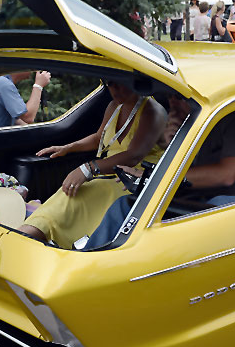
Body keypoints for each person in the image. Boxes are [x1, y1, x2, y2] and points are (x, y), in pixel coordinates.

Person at [84, 98, 235, 249]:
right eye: (171, 97)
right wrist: (171, 142)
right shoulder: (191, 120)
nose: (173, 104)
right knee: (125, 206)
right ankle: (91, 260)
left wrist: (158, 177)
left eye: (180, 98)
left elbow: (226, 175)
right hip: (202, 195)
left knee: (192, 229)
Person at [18, 81, 167, 248]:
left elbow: (133, 155)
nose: (115, 89)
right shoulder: (114, 106)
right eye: (111, 83)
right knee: (69, 192)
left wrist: (87, 169)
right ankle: (25, 235)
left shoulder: (153, 111)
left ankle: (31, 238)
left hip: (133, 182)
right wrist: (68, 148)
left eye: (120, 82)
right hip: (106, 176)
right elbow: (98, 138)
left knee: (79, 192)